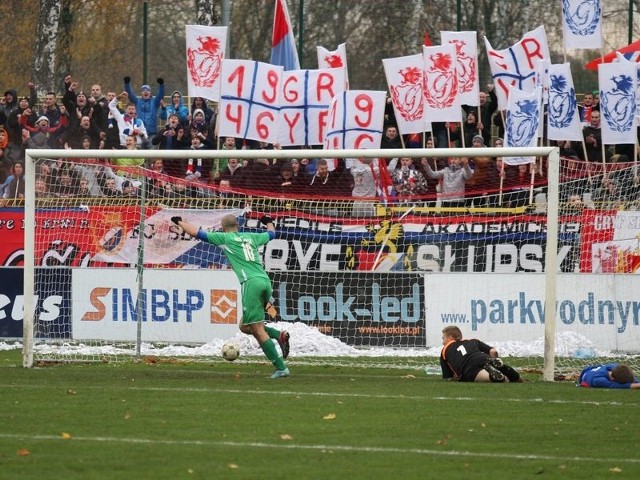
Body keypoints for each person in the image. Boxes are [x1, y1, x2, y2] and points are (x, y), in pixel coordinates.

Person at [170, 214, 291, 378]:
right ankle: (279, 336)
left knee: (257, 329)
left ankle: (281, 368)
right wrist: (268, 221)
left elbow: (196, 233)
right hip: (265, 281)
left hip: (251, 283)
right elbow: (271, 234)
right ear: (238, 226)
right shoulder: (251, 237)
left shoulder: (225, 238)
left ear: (223, 227)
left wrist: (179, 222)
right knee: (245, 326)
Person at [440, 326, 522, 383]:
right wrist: (493, 358)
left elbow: (448, 377)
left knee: (496, 379)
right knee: (503, 370)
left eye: (443, 338)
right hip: (483, 357)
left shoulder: (444, 350)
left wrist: (453, 378)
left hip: (468, 368)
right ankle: (516, 377)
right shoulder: (473, 341)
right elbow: (493, 351)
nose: (442, 341)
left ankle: (499, 377)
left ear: (450, 337)